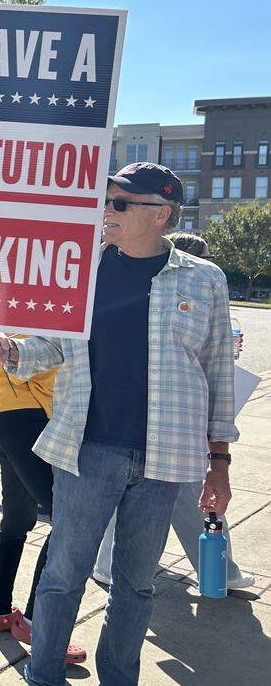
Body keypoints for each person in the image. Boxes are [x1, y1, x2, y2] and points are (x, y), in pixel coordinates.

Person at [0, 163, 237, 686]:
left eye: (120, 204)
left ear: (160, 213)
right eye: (106, 200)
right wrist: (13, 351)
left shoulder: (204, 280)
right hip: (86, 449)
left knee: (137, 584)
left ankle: (119, 685)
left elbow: (217, 374)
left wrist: (219, 464)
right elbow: (49, 346)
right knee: (64, 575)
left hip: (167, 458)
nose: (107, 212)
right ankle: (44, 682)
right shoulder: (81, 271)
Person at [92, 231, 255, 591]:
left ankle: (109, 564)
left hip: (162, 419)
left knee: (141, 495)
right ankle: (220, 570)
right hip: (175, 421)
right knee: (185, 493)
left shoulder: (193, 291)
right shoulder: (172, 291)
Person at [0, 341, 86, 664]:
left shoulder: (15, 297)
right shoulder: (57, 296)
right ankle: (37, 623)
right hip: (37, 414)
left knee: (16, 519)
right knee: (67, 518)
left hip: (8, 413)